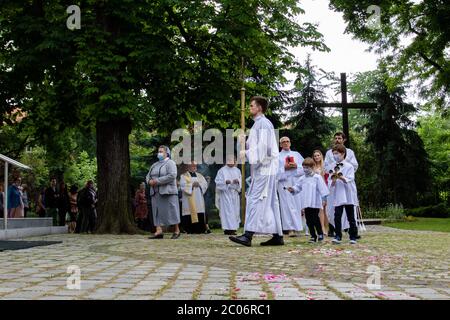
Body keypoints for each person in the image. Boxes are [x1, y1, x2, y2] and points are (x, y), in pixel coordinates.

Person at [229, 96, 283, 247]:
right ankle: (278, 235)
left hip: (265, 168)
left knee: (254, 198)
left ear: (259, 107)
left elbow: (264, 148)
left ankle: (248, 235)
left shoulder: (263, 124)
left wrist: (246, 153)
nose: (249, 108)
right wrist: (244, 142)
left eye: (252, 105)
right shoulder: (258, 125)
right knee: (271, 202)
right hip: (263, 168)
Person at [324, 132, 359, 238]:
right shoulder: (329, 153)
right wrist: (333, 175)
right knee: (335, 210)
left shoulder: (350, 152)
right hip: (337, 187)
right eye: (336, 138)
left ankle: (352, 231)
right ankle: (334, 230)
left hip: (346, 184)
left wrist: (343, 171)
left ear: (344, 140)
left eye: (339, 138)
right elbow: (326, 167)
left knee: (350, 211)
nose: (337, 140)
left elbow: (354, 166)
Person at [288, 158, 329, 243]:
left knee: (315, 218)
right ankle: (313, 236)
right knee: (308, 219)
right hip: (306, 202)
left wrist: (324, 199)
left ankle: (320, 234)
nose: (305, 169)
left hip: (315, 202)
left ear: (312, 166)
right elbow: (297, 187)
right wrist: (292, 189)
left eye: (307, 167)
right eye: (304, 167)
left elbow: (323, 189)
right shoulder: (302, 178)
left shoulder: (317, 177)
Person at [146, 145, 181, 239]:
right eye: (159, 151)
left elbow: (172, 175)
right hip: (155, 192)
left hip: (168, 192)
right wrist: (149, 181)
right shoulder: (155, 164)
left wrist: (157, 181)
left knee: (172, 210)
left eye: (161, 151)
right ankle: (159, 231)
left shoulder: (170, 163)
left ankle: (177, 230)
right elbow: (148, 176)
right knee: (156, 211)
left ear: (167, 153)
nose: (159, 153)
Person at [277, 136, 304, 237]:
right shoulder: (277, 156)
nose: (286, 143)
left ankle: (297, 228)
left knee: (297, 205)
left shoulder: (296, 155)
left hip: (295, 182)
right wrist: (284, 168)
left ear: (290, 143)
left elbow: (305, 168)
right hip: (284, 183)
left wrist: (296, 166)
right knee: (286, 206)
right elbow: (275, 172)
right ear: (280, 145)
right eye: (283, 142)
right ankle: (289, 228)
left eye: (287, 141)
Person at [180, 161, 209, 234]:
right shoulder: (183, 176)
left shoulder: (200, 176)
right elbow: (182, 186)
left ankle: (201, 229)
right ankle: (189, 229)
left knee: (199, 211)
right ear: (188, 167)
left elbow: (205, 185)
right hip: (189, 198)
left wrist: (199, 185)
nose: (193, 167)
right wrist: (192, 186)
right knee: (189, 212)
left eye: (195, 166)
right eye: (192, 166)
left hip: (198, 197)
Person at [215, 155, 242, 235]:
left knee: (234, 211)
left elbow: (241, 180)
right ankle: (227, 229)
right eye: (230, 160)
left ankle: (233, 228)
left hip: (234, 193)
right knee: (227, 211)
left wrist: (238, 181)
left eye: (233, 160)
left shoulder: (237, 170)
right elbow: (217, 182)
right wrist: (225, 182)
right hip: (226, 193)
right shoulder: (222, 171)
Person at [313, 150, 329, 235]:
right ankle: (322, 228)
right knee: (321, 210)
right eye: (315, 156)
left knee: (326, 210)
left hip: (325, 189)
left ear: (321, 156)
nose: (316, 157)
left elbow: (327, 178)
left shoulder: (325, 166)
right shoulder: (313, 167)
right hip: (317, 190)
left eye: (318, 155)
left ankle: (327, 228)